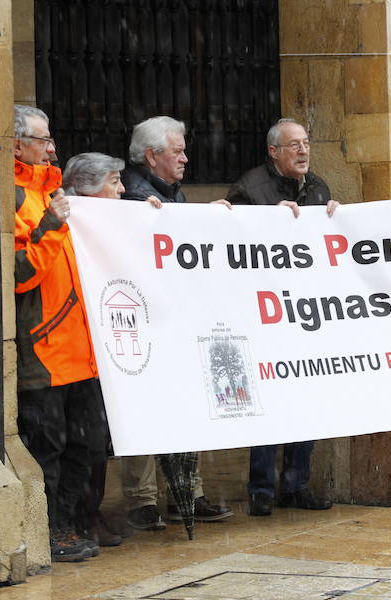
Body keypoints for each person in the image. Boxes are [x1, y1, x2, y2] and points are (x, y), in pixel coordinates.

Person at [120, 116, 233, 529]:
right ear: (152, 156)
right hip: (147, 321)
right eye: (177, 151)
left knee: (183, 404)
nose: (185, 158)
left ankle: (188, 491)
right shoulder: (132, 197)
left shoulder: (171, 193)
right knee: (145, 406)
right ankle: (142, 499)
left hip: (174, 317)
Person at [226, 118, 337, 516]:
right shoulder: (250, 189)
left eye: (306, 143)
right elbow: (230, 245)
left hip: (307, 314)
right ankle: (261, 488)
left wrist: (336, 218)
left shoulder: (319, 187)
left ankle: (296, 484)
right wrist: (269, 221)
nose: (303, 151)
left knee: (306, 399)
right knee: (271, 401)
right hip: (267, 314)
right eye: (293, 145)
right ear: (274, 152)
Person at [14, 106, 106, 562]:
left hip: (80, 352)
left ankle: (69, 525)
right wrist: (50, 227)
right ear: (16, 145)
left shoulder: (53, 192)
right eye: (42, 140)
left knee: (86, 446)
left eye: (51, 139)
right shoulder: (15, 198)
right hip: (42, 355)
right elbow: (19, 274)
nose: (51, 148)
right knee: (46, 453)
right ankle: (50, 533)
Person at [61, 153, 128, 549]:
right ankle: (72, 519)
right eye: (115, 183)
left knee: (95, 439)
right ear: (88, 191)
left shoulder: (117, 220)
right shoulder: (66, 220)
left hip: (103, 348)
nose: (123, 190)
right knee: (74, 442)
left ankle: (90, 514)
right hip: (68, 348)